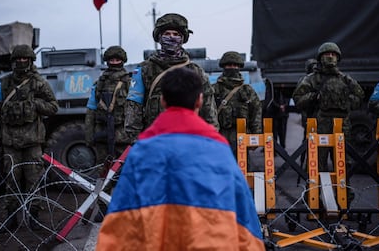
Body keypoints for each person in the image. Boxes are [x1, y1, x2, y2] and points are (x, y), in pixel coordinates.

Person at [96, 67, 264, 250]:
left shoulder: (142, 152)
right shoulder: (218, 150)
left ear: (163, 100)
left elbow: (119, 221)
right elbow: (245, 219)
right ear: (200, 100)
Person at [0, 44, 58, 230]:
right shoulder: (4, 83)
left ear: (30, 60)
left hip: (32, 140)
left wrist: (35, 104)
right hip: (10, 140)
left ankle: (33, 218)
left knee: (33, 179)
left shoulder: (38, 83)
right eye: (18, 59)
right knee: (12, 180)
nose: (21, 62)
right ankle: (11, 219)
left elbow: (53, 106)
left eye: (24, 59)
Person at [124, 13, 219, 143]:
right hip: (154, 139)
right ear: (159, 37)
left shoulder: (196, 71)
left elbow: (208, 109)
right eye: (167, 34)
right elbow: (134, 105)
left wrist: (211, 138)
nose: (171, 37)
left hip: (189, 140)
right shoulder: (144, 70)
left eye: (176, 34)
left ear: (183, 38)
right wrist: (135, 140)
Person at [293, 42, 364, 172]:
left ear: (338, 58)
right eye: (327, 54)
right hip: (320, 126)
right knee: (317, 164)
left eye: (333, 54)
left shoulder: (345, 79)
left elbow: (359, 97)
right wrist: (314, 97)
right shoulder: (311, 79)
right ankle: (314, 192)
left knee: (343, 164)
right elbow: (298, 100)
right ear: (320, 57)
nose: (330, 57)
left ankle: (345, 192)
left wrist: (345, 101)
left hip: (343, 127)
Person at [85, 46, 130, 173]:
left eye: (117, 60)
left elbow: (136, 109)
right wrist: (89, 135)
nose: (114, 63)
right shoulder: (100, 82)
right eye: (111, 60)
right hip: (103, 132)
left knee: (124, 169)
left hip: (122, 134)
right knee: (103, 169)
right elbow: (91, 109)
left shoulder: (129, 82)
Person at [212, 51, 262, 156]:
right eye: (229, 65)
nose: (232, 67)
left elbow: (256, 112)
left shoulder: (247, 90)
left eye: (235, 65)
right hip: (220, 135)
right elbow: (206, 112)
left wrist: (255, 136)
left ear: (239, 67)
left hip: (242, 136)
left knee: (242, 169)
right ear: (223, 66)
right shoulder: (214, 89)